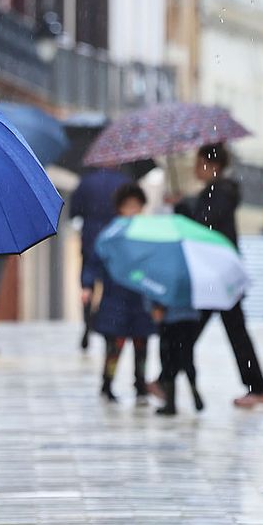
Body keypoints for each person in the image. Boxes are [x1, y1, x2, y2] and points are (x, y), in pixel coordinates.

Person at [174, 144, 263, 407]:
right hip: (215, 274)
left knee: (200, 329)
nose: (195, 168)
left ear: (211, 165)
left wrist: (182, 206)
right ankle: (257, 387)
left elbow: (204, 222)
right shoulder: (215, 192)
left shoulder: (222, 191)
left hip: (219, 275)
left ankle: (257, 388)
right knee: (212, 330)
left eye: (198, 162)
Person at [82, 184, 154, 404]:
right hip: (116, 298)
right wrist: (87, 285)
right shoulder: (110, 235)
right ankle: (107, 383)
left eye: (136, 206)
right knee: (115, 345)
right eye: (128, 206)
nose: (132, 210)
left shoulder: (148, 234)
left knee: (142, 344)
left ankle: (140, 383)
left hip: (141, 298)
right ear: (119, 208)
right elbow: (94, 261)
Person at [69, 167, 132, 349]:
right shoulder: (124, 182)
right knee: (113, 286)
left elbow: (74, 211)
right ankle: (110, 321)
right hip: (117, 240)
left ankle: (87, 321)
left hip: (90, 239)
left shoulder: (86, 182)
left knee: (88, 284)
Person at [150, 303, 205, 416]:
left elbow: (154, 293)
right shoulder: (196, 284)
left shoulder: (165, 285)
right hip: (191, 318)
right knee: (187, 358)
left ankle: (170, 403)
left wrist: (153, 307)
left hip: (169, 319)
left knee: (168, 361)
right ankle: (194, 392)